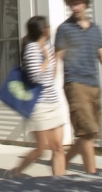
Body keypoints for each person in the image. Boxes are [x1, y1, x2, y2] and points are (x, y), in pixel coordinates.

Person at [55, 0, 102, 174]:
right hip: (75, 83)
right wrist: (48, 81)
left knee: (93, 132)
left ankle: (62, 161)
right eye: (72, 4)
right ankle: (91, 175)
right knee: (86, 133)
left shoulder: (96, 30)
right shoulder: (64, 29)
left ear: (85, 4)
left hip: (93, 85)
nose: (75, 8)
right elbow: (58, 57)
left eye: (78, 4)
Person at [10, 16, 66, 177]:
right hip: (39, 105)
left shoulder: (46, 46)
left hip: (53, 102)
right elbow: (35, 77)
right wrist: (48, 59)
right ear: (44, 30)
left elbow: (51, 76)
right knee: (41, 149)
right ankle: (17, 172)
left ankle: (60, 185)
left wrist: (52, 59)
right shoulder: (32, 49)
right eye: (48, 26)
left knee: (58, 148)